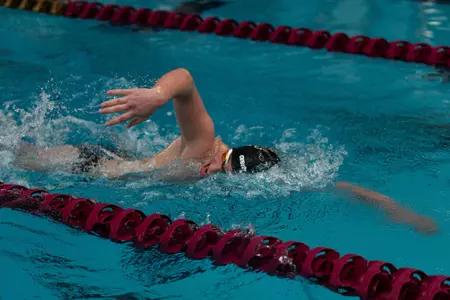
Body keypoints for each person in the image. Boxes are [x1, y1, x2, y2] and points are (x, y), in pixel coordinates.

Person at [6, 68, 439, 235]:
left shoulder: (225, 160)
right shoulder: (202, 147)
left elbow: (328, 184)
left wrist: (392, 207)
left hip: (112, 161)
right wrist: (158, 95)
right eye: (219, 170)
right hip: (86, 166)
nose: (213, 174)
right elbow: (186, 79)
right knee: (14, 156)